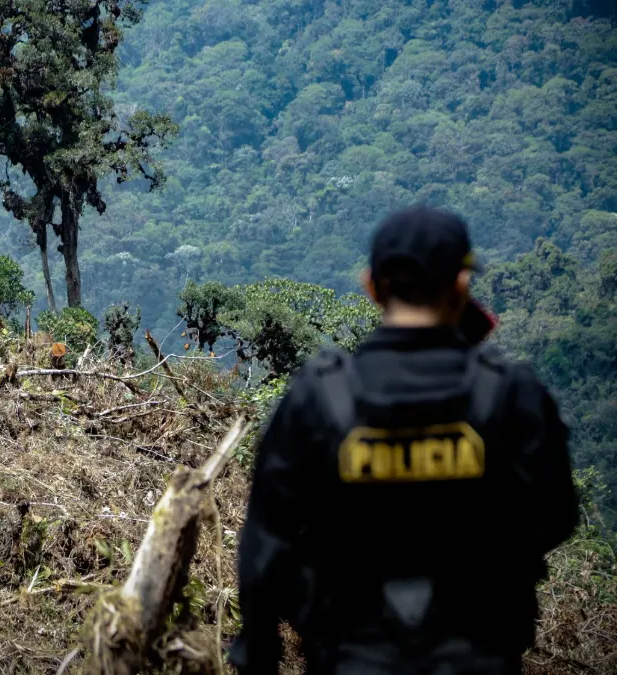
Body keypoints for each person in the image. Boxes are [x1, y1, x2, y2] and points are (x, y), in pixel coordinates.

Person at [229, 206, 579, 675]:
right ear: (461, 284)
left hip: (350, 658)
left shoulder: (320, 397)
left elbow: (265, 542)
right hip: (478, 658)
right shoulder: (510, 393)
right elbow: (556, 515)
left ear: (372, 286)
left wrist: (259, 652)